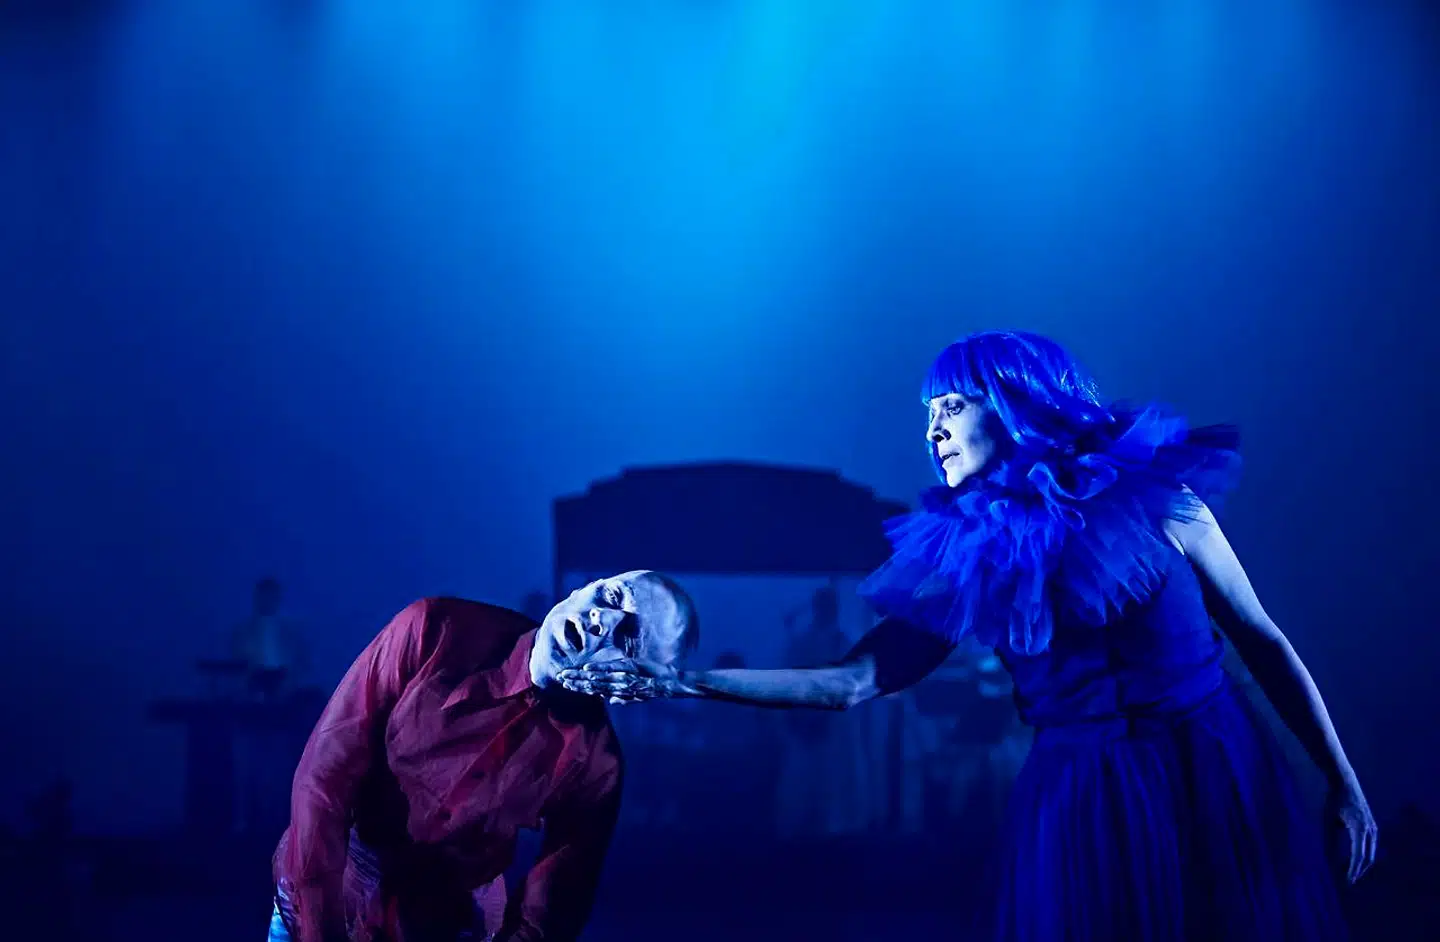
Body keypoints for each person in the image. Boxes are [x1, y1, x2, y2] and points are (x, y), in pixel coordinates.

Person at [562, 330, 1377, 940]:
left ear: (1017, 404)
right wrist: (688, 681)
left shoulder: (1161, 499)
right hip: (1081, 795)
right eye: (927, 414)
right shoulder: (966, 556)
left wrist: (1342, 780)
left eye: (951, 406)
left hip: (1213, 770)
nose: (933, 430)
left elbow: (1263, 641)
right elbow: (852, 682)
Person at [267, 570, 699, 942]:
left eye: (629, 637)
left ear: (628, 686)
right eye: (612, 596)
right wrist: (321, 929)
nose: (603, 621)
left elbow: (552, 907)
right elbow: (324, 779)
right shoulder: (433, 629)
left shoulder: (595, 762)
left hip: (443, 924)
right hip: (324, 899)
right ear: (583, 589)